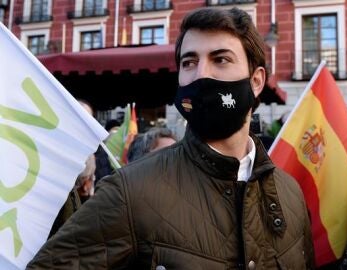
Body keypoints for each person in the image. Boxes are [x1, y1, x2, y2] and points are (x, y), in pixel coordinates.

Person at [27, 7, 314, 269]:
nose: (201, 74)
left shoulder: (290, 194)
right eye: (189, 62)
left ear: (256, 81)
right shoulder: (131, 191)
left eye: (221, 59)